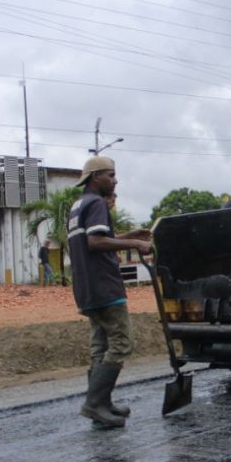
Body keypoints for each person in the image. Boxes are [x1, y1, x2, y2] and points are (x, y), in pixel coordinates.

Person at [67, 156, 154, 427]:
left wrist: (131, 235)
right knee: (120, 342)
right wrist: (136, 245)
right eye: (111, 175)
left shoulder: (78, 205)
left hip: (86, 286)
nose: (115, 180)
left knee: (100, 345)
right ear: (96, 177)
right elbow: (96, 241)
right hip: (104, 286)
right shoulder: (96, 203)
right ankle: (94, 403)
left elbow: (96, 237)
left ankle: (102, 403)